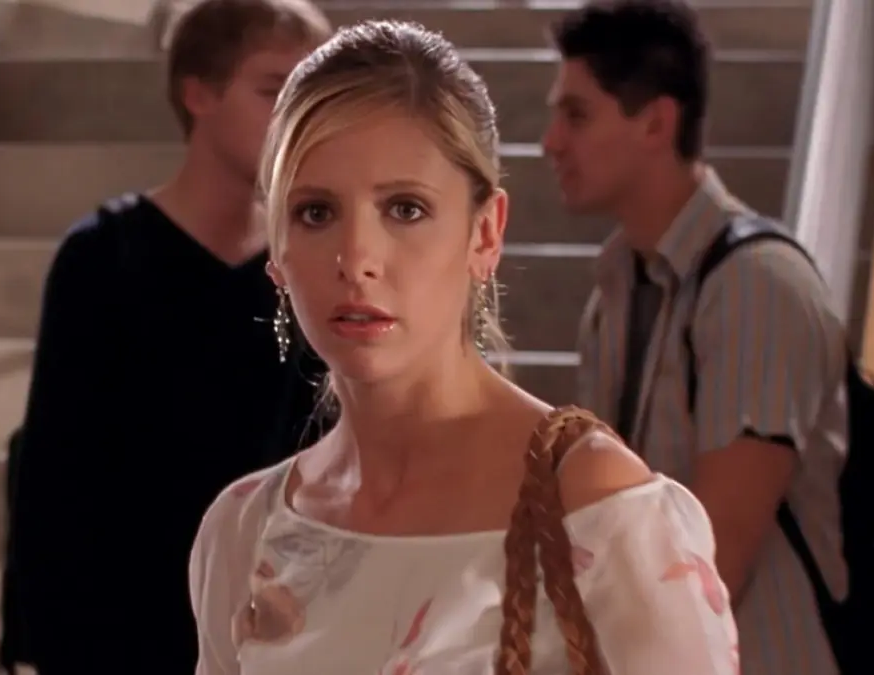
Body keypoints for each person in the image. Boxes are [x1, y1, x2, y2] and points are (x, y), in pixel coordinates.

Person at [187, 20, 740, 675]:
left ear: (485, 234)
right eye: (315, 212)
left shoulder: (597, 508)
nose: (357, 259)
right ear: (276, 251)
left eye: (405, 209)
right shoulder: (245, 530)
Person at [8, 2, 332, 674]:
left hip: (272, 629)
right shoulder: (105, 255)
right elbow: (53, 464)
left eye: (311, 94)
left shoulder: (313, 261)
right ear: (199, 93)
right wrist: (35, 637)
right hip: (121, 625)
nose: (297, 117)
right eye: (274, 90)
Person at [544, 2, 848, 674]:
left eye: (577, 115)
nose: (551, 142)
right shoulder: (613, 294)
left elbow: (717, 557)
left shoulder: (757, 285)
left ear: (657, 121)